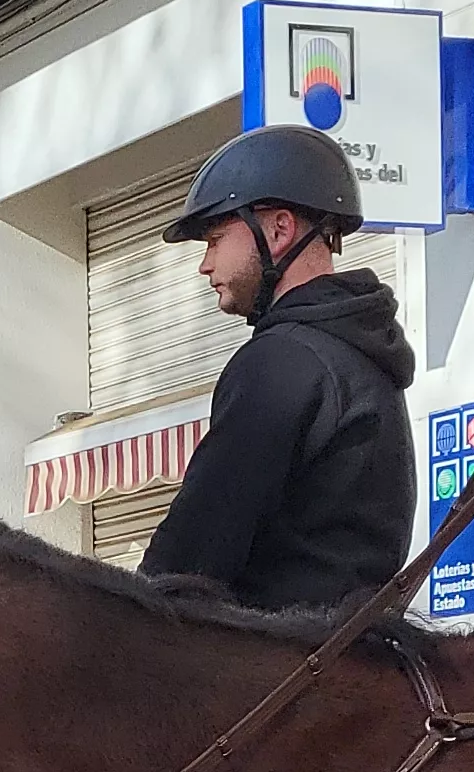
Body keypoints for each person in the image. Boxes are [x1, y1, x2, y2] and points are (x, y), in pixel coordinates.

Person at [138, 126, 421, 609]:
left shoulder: (280, 362)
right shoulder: (365, 355)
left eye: (215, 238)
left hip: (274, 659)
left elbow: (192, 555)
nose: (204, 265)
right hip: (351, 655)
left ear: (279, 228)